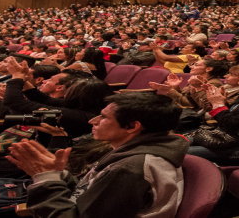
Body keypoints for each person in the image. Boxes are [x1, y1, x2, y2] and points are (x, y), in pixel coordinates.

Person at [10, 93, 188, 218]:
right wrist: (57, 175)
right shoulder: (135, 151)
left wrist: (44, 180)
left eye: (102, 117)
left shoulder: (129, 169)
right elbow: (88, 191)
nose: (92, 121)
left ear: (132, 126)